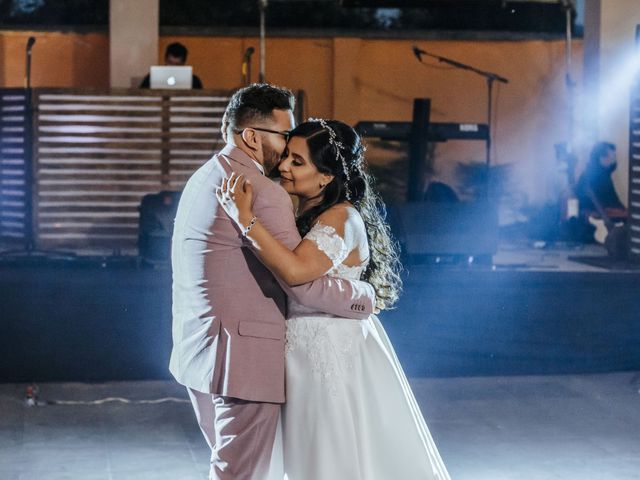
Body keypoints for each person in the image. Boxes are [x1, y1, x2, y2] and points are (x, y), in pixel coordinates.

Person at [218, 119, 451, 479]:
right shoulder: (303, 213)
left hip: (330, 353)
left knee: (332, 453)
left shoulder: (341, 217)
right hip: (304, 354)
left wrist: (245, 220)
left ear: (326, 176)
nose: (283, 167)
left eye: (298, 162)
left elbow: (296, 272)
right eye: (286, 157)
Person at [170, 84, 377, 480]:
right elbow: (299, 282)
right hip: (243, 360)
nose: (284, 157)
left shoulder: (205, 175)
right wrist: (363, 296)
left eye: (296, 158)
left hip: (201, 351)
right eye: (284, 138)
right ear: (251, 136)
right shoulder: (262, 193)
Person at [576, 141, 627, 221]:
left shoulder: (602, 173)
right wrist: (624, 213)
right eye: (610, 156)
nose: (613, 160)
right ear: (600, 157)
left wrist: (624, 211)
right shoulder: (595, 175)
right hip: (597, 219)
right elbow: (602, 207)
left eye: (613, 156)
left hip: (605, 215)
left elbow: (613, 200)